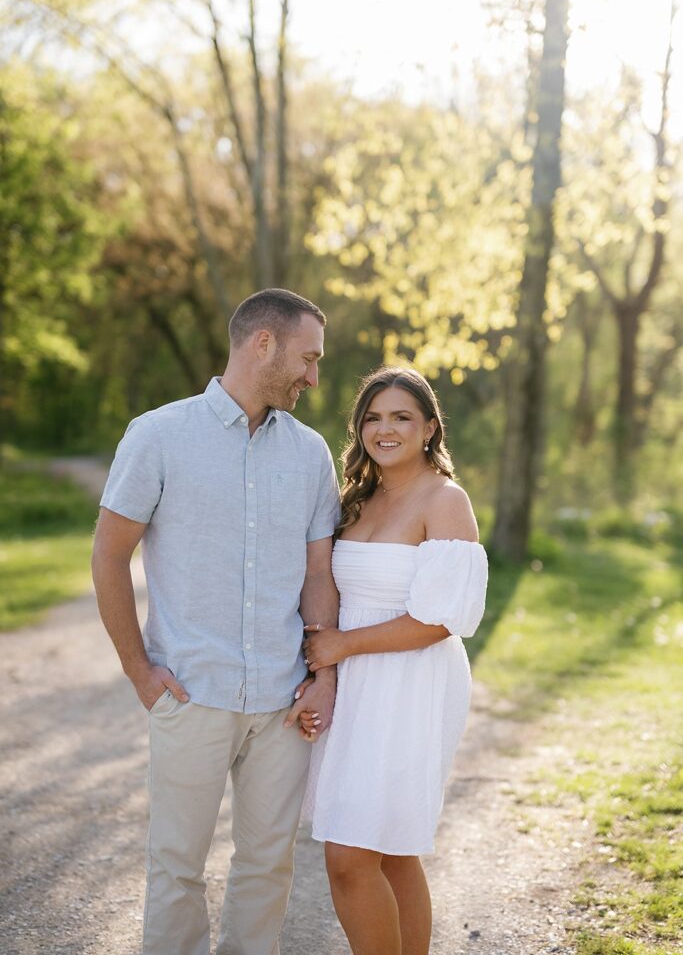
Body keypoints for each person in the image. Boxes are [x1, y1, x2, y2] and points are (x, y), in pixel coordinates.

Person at [91, 288, 340, 955]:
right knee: (175, 867)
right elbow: (109, 555)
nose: (313, 377)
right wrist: (139, 671)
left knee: (267, 866)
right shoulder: (158, 436)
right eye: (307, 359)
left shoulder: (311, 453)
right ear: (264, 343)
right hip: (191, 693)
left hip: (282, 702)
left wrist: (324, 676)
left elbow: (318, 575)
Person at [300, 366, 488, 955]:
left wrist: (341, 646)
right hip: (356, 683)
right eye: (373, 417)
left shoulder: (445, 499)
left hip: (413, 684)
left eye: (402, 417)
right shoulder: (359, 498)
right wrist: (325, 671)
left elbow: (437, 621)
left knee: (350, 857)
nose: (386, 429)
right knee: (391, 847)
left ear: (430, 427)